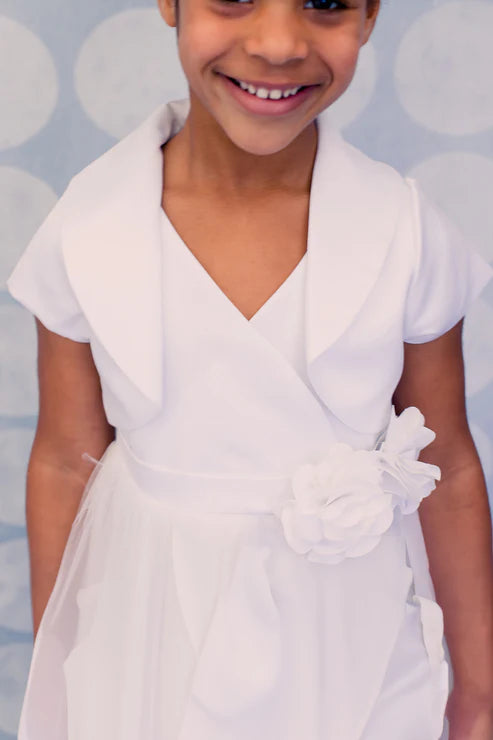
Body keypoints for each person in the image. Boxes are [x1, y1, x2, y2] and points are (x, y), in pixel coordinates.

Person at [6, 0, 493, 737]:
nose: (277, 43)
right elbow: (64, 460)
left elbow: (446, 464)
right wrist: (66, 674)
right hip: (148, 634)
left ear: (369, 15)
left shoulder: (406, 230)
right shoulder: (88, 227)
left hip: (349, 642)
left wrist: (477, 696)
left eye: (324, 2)